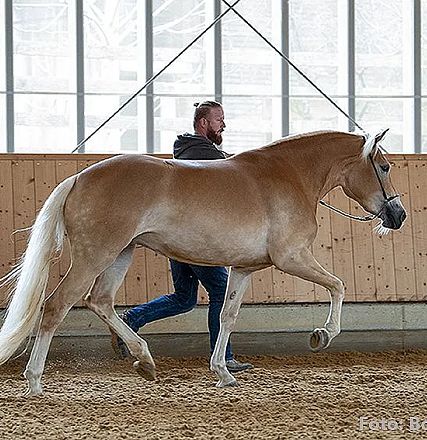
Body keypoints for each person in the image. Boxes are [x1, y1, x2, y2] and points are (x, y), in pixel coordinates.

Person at [111, 101, 253, 373]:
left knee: (184, 298)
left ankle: (132, 319)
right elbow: (230, 170)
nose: (223, 124)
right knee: (222, 293)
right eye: (219, 119)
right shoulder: (205, 154)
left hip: (178, 236)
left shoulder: (191, 149)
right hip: (199, 237)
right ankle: (223, 356)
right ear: (203, 123)